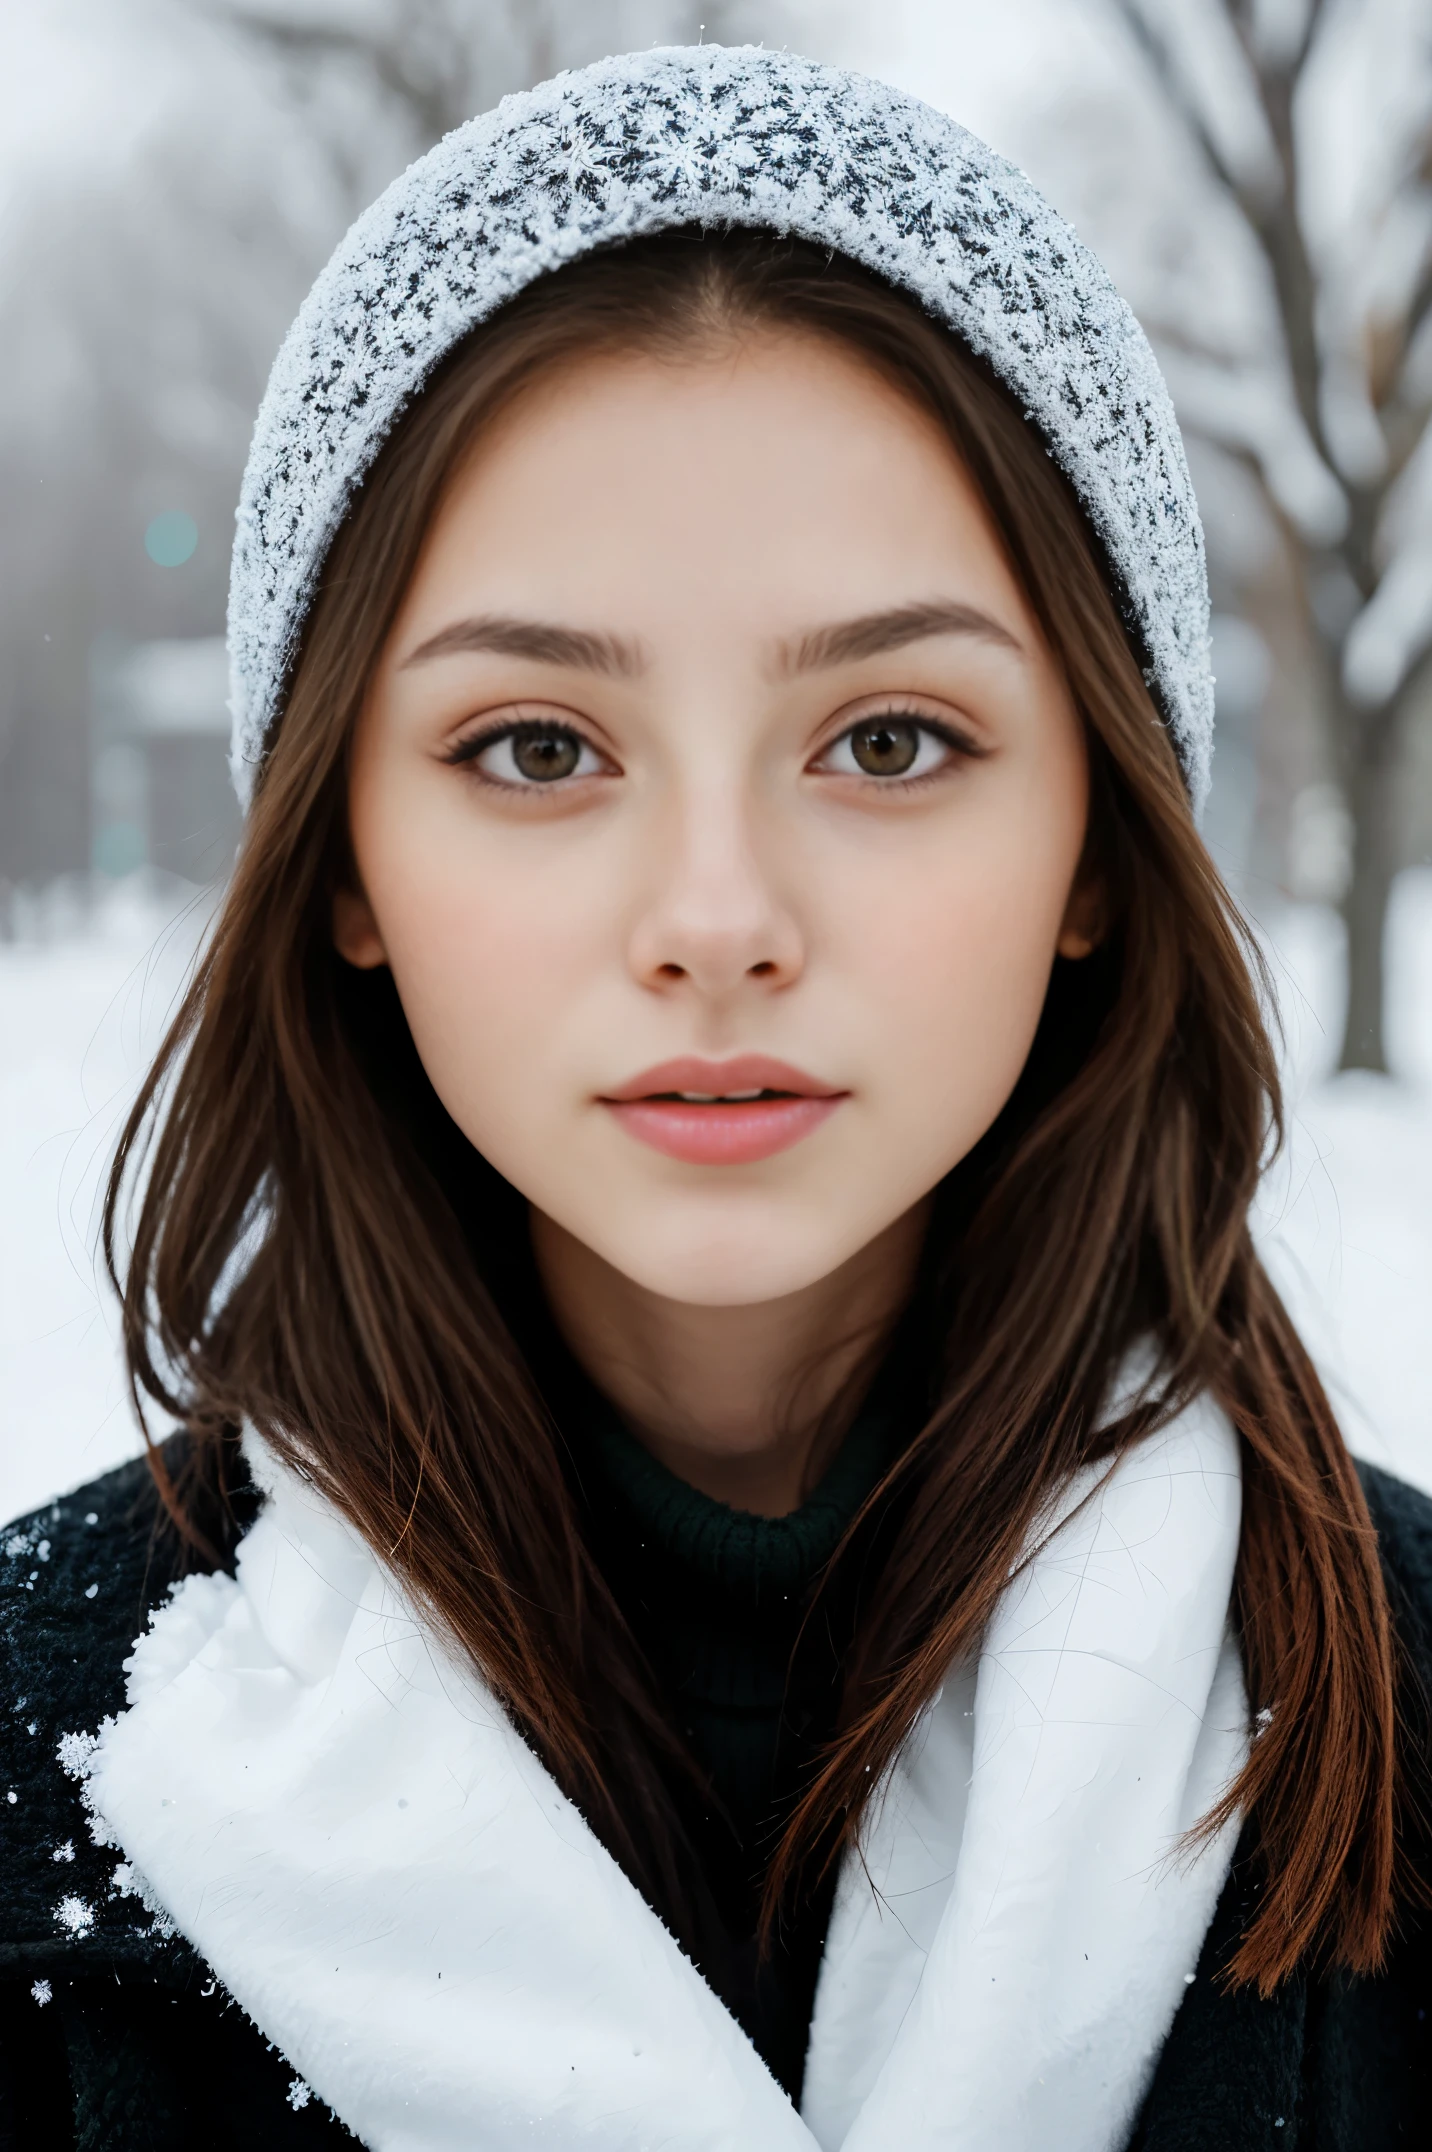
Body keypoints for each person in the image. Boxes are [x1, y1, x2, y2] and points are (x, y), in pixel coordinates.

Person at [1, 44, 1427, 2152]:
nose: (714, 919)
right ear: (346, 868)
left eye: (885, 740)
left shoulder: (1395, 1727)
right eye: (534, 747)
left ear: (1099, 853)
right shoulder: (45, 1756)